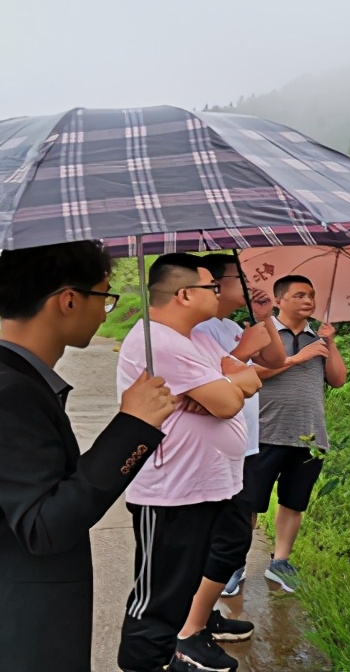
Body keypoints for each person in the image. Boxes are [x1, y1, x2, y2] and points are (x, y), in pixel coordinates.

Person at [0, 240, 177, 672]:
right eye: (104, 296)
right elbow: (45, 526)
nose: (105, 312)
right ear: (67, 300)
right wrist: (132, 427)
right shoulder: (7, 394)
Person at [116, 253, 262, 672]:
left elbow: (245, 377)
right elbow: (229, 401)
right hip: (170, 492)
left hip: (206, 484)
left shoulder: (195, 336)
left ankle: (172, 656)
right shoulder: (156, 339)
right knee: (157, 600)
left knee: (183, 589)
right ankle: (145, 664)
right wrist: (222, 391)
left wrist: (221, 388)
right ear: (184, 294)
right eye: (210, 287)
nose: (218, 291)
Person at [169, 253, 287, 658]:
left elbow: (273, 362)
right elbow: (220, 390)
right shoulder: (199, 329)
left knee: (230, 538)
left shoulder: (229, 326)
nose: (251, 281)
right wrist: (240, 360)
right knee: (224, 541)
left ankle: (201, 616)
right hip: (215, 450)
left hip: (245, 446)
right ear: (214, 284)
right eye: (241, 276)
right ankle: (191, 627)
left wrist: (264, 317)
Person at [250, 275, 347, 592]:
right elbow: (248, 373)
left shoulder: (318, 339)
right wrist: (295, 359)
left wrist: (329, 343)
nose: (309, 301)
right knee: (248, 504)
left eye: (312, 295)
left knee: (294, 502)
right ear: (279, 300)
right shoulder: (262, 334)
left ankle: (280, 562)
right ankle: (233, 563)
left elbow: (337, 380)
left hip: (309, 436)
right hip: (264, 432)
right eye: (300, 295)